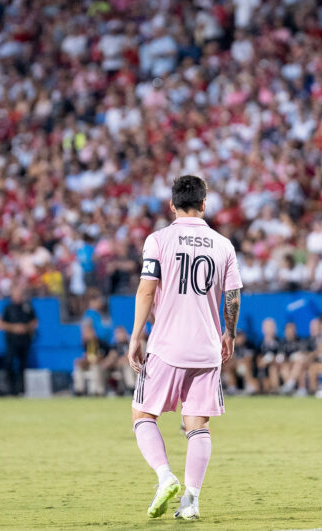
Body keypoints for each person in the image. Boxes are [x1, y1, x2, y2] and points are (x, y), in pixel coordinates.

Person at [127, 175, 243, 521]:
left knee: (143, 414)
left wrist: (135, 337)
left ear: (172, 204)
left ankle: (165, 477)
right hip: (207, 348)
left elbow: (147, 289)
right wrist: (230, 334)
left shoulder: (158, 240)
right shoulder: (223, 245)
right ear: (205, 204)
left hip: (166, 345)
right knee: (198, 426)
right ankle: (191, 501)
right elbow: (233, 295)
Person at [0, 281, 37, 396]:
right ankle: (11, 389)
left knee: (23, 365)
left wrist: (26, 328)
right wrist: (14, 328)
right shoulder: (8, 308)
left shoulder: (27, 306)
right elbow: (1, 324)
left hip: (24, 341)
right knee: (10, 364)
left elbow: (34, 321)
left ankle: (22, 389)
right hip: (12, 341)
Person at [73, 320, 109, 395]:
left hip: (102, 366)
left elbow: (101, 358)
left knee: (95, 367)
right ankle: (79, 390)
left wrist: (93, 360)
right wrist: (82, 361)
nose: (85, 335)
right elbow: (87, 357)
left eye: (87, 332)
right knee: (78, 368)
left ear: (93, 332)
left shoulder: (101, 343)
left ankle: (98, 392)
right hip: (89, 364)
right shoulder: (86, 344)